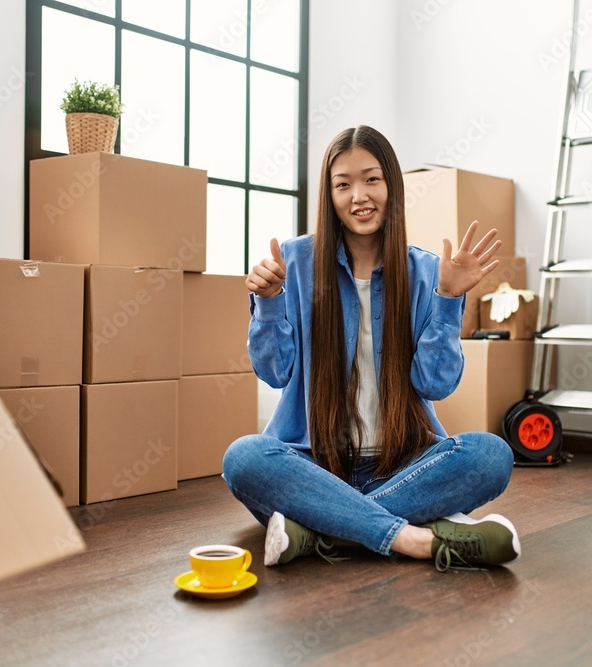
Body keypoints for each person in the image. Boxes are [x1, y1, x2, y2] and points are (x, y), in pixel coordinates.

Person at [221, 125, 520, 572]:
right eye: (343, 184)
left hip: (403, 464)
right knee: (243, 458)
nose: (359, 195)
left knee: (492, 454)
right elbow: (274, 372)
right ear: (330, 194)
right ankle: (415, 539)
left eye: (371, 179)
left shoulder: (425, 271)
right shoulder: (295, 261)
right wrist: (268, 305)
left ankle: (315, 530)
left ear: (391, 185)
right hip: (314, 463)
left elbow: (434, 384)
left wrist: (449, 300)